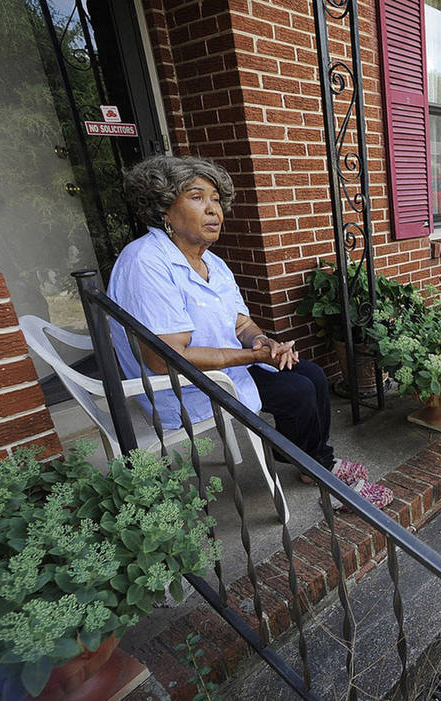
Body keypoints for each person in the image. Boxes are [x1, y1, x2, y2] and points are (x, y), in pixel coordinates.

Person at [107, 154, 391, 507]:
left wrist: (262, 341)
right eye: (197, 198)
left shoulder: (212, 261)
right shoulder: (145, 262)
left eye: (216, 200)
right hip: (185, 386)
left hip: (224, 366)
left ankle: (310, 459)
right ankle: (320, 467)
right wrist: (253, 356)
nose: (214, 210)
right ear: (163, 209)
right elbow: (164, 360)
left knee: (313, 375)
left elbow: (240, 322)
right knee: (297, 390)